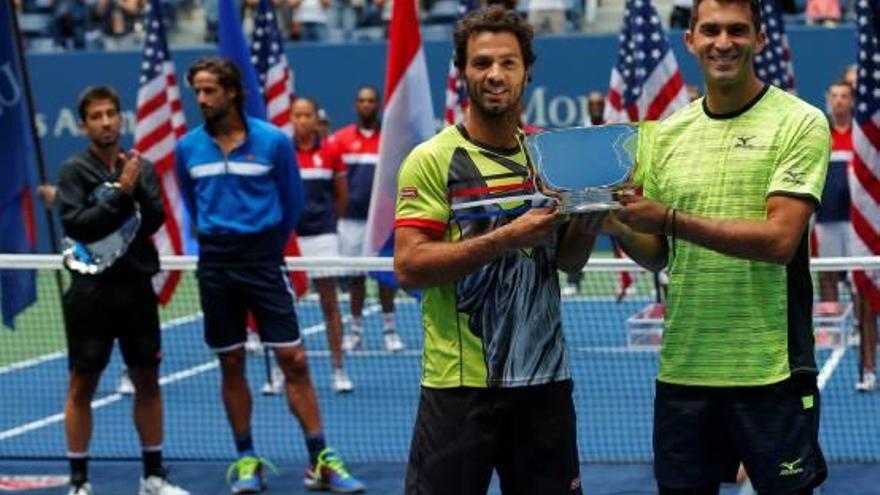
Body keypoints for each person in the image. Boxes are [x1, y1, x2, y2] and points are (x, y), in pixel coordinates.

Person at [603, 0, 830, 492]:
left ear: (759, 39)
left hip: (773, 372)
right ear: (690, 40)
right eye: (709, 30)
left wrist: (667, 218)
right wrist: (615, 222)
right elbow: (660, 253)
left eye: (736, 30)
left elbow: (779, 240)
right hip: (685, 369)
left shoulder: (800, 122)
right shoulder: (664, 137)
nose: (722, 42)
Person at [394, 7, 606, 493]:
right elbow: (409, 267)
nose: (495, 74)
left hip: (545, 384)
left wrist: (591, 223)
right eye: (482, 62)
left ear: (527, 71)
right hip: (459, 388)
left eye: (508, 63)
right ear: (462, 71)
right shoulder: (432, 160)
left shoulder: (551, 157)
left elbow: (568, 262)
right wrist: (508, 237)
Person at [175, 57, 364, 493]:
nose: (201, 100)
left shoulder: (273, 142)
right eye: (197, 92)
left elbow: (291, 203)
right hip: (216, 266)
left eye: (209, 91)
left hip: (263, 262)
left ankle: (320, 460)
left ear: (232, 92)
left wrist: (262, 245)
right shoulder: (188, 148)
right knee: (232, 361)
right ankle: (246, 460)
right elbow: (191, 201)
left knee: (294, 361)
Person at [57, 85, 189, 495]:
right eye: (96, 116)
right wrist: (122, 194)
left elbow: (152, 221)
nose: (106, 122)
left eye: (111, 113)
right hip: (90, 294)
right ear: (84, 125)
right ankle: (79, 481)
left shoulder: (141, 166)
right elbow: (79, 225)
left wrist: (131, 193)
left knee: (147, 380)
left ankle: (152, 476)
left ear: (121, 118)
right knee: (83, 384)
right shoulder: (73, 172)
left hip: (136, 290)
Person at [331, 86, 405, 353]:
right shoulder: (339, 140)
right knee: (356, 279)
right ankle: (356, 332)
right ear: (355, 105)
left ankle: (389, 330)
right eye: (361, 101)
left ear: (378, 105)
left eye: (371, 101)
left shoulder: (391, 140)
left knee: (386, 278)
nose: (366, 105)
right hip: (351, 222)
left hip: (384, 222)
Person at [290, 96, 352, 393]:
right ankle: (285, 370)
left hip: (323, 236)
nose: (301, 121)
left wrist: (328, 223)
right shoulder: (283, 152)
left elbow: (342, 196)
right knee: (286, 305)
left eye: (306, 115)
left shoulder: (331, 150)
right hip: (291, 238)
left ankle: (338, 369)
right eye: (296, 115)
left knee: (330, 304)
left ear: (316, 119)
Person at [815, 81, 856, 302]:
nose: (839, 100)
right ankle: (830, 332)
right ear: (828, 100)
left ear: (852, 101)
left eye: (844, 96)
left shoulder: (862, 137)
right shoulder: (819, 135)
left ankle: (864, 329)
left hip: (856, 220)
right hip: (825, 218)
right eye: (835, 96)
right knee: (828, 272)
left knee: (860, 274)